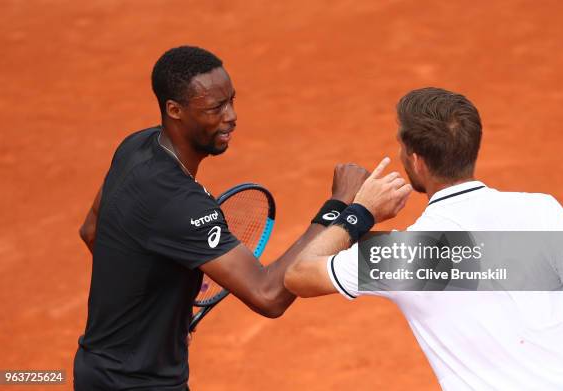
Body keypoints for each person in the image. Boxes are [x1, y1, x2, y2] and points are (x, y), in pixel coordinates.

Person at [73, 45, 372, 390]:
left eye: (232, 100)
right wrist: (337, 205)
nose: (231, 116)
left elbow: (92, 230)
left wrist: (157, 311)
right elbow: (269, 295)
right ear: (175, 110)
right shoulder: (180, 203)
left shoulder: (135, 147)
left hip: (94, 370)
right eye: (216, 108)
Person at [284, 87, 563, 390]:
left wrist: (360, 212)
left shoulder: (407, 255)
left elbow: (299, 274)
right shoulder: (543, 209)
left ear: (416, 161)